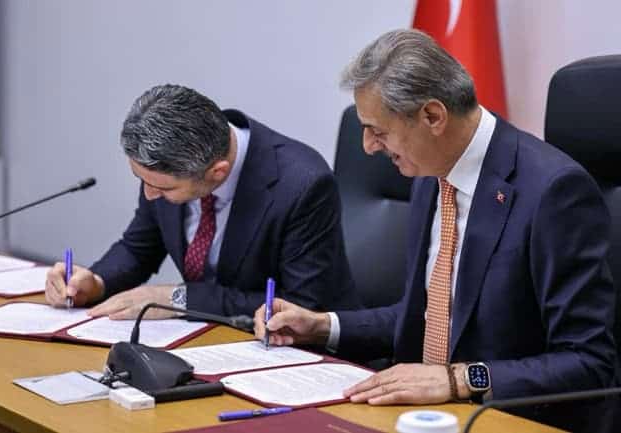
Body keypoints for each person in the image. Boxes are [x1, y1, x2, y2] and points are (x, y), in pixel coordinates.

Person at [254, 29, 617, 432]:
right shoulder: (432, 174)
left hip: (505, 420)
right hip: (415, 417)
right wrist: (324, 326)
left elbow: (589, 362)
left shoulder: (553, 192)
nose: (368, 146)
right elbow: (432, 316)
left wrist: (458, 379)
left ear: (432, 116)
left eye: (378, 130)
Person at [45, 84, 359, 319]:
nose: (149, 194)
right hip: (205, 339)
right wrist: (96, 281)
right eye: (141, 180)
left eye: (162, 188)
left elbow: (301, 305)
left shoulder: (302, 185)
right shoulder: (165, 167)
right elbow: (139, 248)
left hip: (293, 354)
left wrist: (179, 299)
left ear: (216, 172)